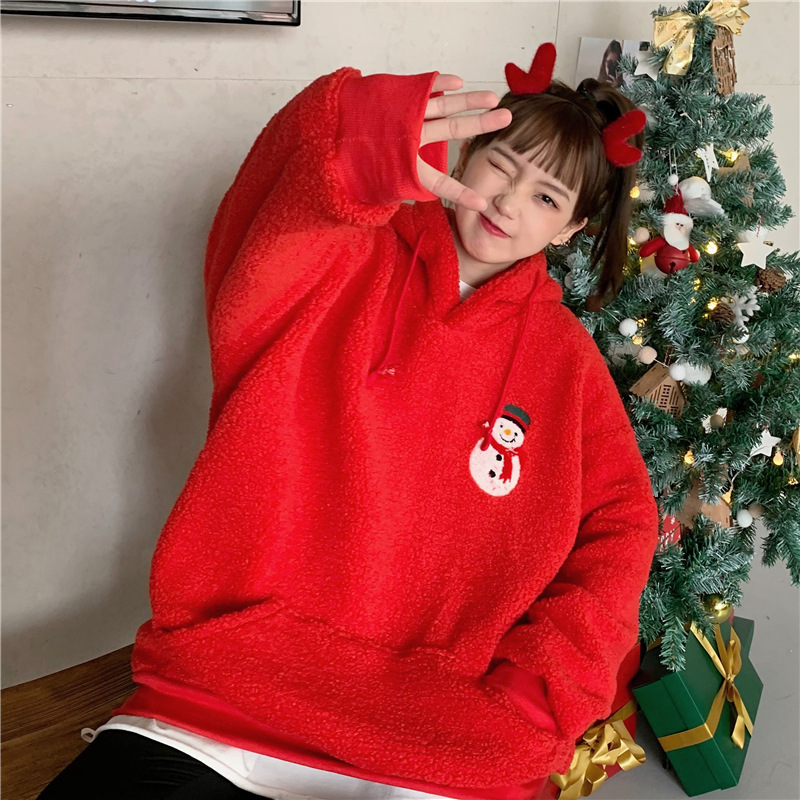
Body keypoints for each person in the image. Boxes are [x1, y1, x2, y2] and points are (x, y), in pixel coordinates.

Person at [39, 42, 658, 800]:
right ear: (465, 155)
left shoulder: (568, 363)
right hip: (238, 685)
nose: (508, 203)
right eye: (502, 166)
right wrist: (356, 140)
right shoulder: (341, 254)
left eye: (547, 199)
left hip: (438, 730)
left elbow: (623, 523)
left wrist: (539, 690)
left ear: (570, 230)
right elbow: (279, 209)